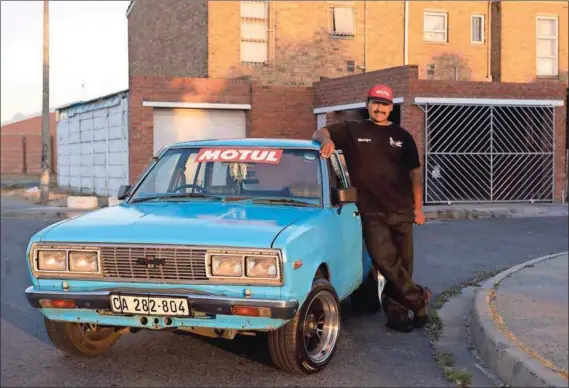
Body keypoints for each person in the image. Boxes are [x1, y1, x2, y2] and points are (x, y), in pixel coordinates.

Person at [312, 84, 431, 333]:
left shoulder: (402, 136)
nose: (379, 108)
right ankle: (419, 298)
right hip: (370, 211)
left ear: (391, 108)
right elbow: (320, 131)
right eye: (375, 103)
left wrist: (418, 209)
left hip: (401, 210)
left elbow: (415, 174)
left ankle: (398, 315)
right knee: (383, 260)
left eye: (385, 104)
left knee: (403, 264)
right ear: (368, 104)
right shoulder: (353, 130)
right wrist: (327, 142)